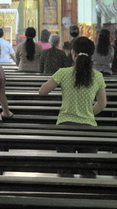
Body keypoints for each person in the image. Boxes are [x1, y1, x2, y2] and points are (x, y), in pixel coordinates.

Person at [38, 36, 107, 177]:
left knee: (65, 169)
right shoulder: (98, 76)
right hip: (88, 127)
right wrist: (88, 112)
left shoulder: (63, 73)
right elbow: (102, 104)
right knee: (88, 172)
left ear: (73, 53)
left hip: (64, 127)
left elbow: (42, 91)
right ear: (91, 55)